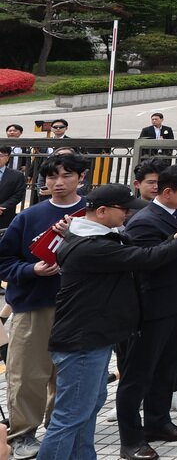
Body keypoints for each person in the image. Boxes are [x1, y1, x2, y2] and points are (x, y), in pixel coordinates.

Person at [40, 185, 177, 460]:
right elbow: (146, 258)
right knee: (70, 418)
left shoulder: (96, 235)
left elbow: (142, 246)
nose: (129, 215)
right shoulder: (90, 246)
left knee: (88, 410)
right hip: (82, 341)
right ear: (102, 211)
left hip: (95, 338)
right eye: (124, 210)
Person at [0, 154, 87, 460]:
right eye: (52, 177)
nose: (58, 183)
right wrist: (30, 271)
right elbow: (4, 261)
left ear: (82, 177)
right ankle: (23, 433)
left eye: (66, 175)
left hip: (79, 307)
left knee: (70, 375)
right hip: (34, 306)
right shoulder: (28, 217)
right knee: (27, 373)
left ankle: (59, 428)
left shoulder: (92, 213)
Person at [116, 164, 177, 459]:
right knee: (137, 374)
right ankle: (131, 439)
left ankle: (158, 422)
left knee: (168, 366)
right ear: (168, 192)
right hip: (151, 308)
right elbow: (148, 261)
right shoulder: (144, 221)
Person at [0, 145, 26, 228]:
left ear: (8, 157)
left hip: (5, 215)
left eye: (1, 155)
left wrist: (2, 207)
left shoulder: (17, 175)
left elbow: (18, 195)